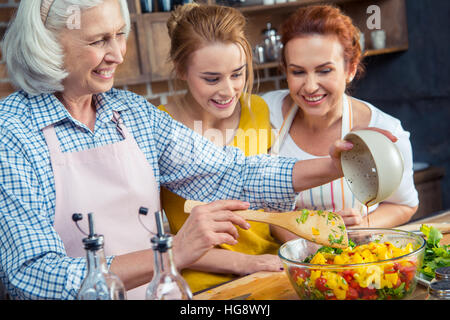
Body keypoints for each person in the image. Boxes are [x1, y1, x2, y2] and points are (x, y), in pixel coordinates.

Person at [0, 0, 363, 300]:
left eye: (120, 35)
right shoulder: (12, 131)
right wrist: (171, 250)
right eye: (98, 41)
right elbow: (32, 277)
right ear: (46, 43)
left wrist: (335, 165)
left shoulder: (130, 113)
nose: (118, 54)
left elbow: (232, 172)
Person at [262, 5, 418, 241]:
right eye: (298, 72)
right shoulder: (264, 115)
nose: (311, 86)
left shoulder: (385, 130)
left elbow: (405, 205)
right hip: (282, 265)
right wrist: (300, 236)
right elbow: (253, 200)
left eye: (324, 71)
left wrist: (360, 226)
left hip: (353, 261)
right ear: (285, 71)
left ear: (350, 69)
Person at [158, 3, 283, 293]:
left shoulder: (259, 110)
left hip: (272, 269)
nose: (228, 91)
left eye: (237, 74)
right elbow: (155, 242)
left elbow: (272, 206)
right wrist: (244, 263)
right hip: (203, 286)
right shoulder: (158, 126)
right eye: (212, 79)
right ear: (180, 69)